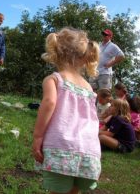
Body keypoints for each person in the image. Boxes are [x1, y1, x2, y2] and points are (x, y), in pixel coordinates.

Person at [32, 28, 101, 194]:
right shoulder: (88, 87)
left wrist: (38, 136)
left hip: (61, 148)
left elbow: (49, 103)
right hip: (89, 151)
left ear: (56, 52)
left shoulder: (55, 79)